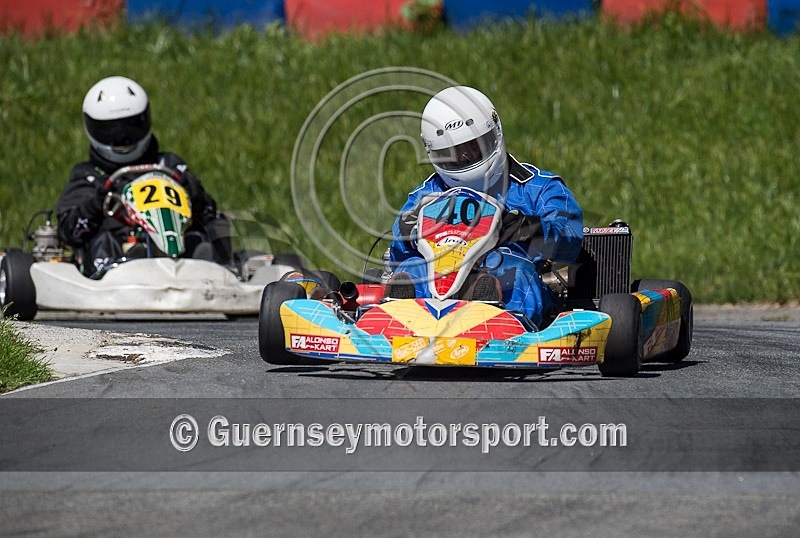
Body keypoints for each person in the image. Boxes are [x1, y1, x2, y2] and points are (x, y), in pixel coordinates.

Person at [387, 85, 584, 327]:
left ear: (494, 134)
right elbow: (396, 258)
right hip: (439, 273)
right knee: (411, 269)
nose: (465, 158)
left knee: (514, 273)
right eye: (453, 152)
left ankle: (497, 321)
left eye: (473, 146)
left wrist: (531, 229)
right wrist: (405, 235)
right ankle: (402, 319)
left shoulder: (537, 187)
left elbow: (571, 236)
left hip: (505, 269)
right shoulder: (426, 195)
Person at [56, 76, 231, 276]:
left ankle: (207, 270)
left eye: (130, 126)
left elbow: (209, 213)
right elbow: (70, 233)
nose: (122, 138)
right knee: (104, 241)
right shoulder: (89, 176)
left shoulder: (170, 165)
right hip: (117, 264)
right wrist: (97, 204)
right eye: (111, 130)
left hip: (180, 255)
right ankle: (121, 267)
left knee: (201, 238)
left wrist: (193, 192)